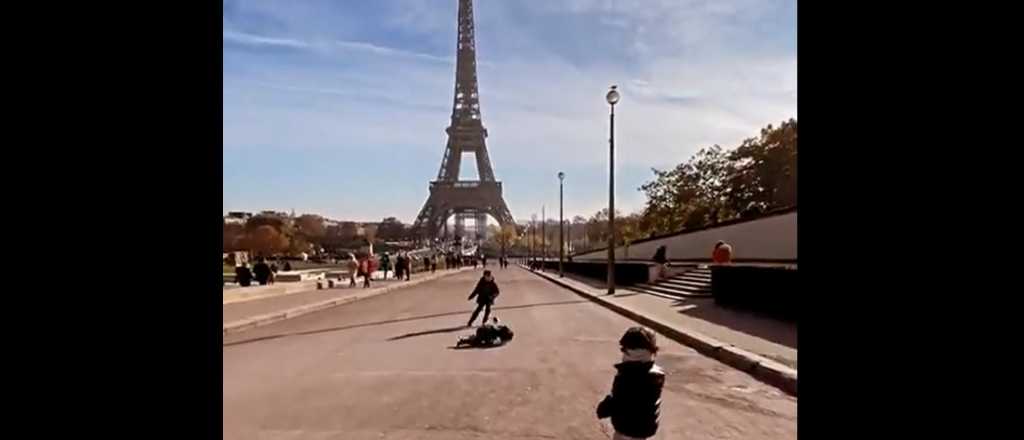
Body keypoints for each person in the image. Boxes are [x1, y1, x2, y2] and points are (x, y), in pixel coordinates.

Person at [597, 327, 666, 440]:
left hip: (626, 427)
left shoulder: (626, 376)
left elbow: (619, 401)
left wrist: (604, 408)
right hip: (645, 428)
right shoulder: (658, 374)